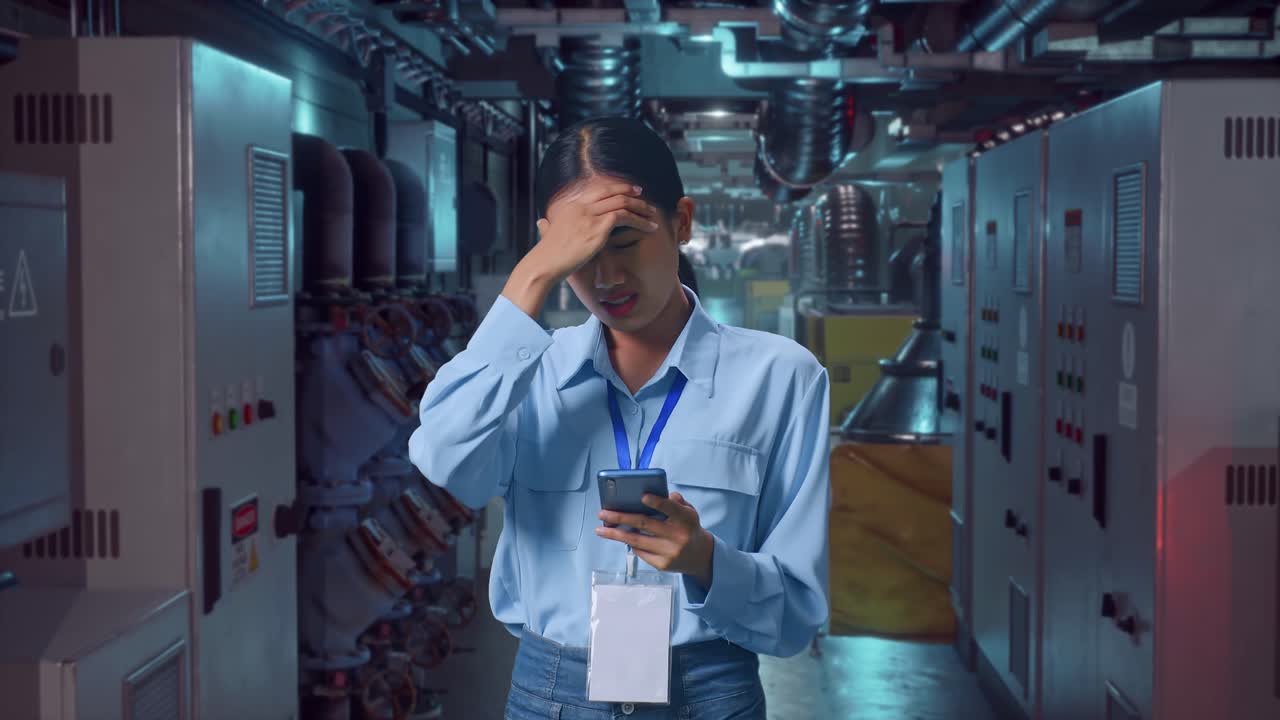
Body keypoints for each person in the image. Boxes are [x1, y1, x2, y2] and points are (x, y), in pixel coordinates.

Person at [407, 116, 830, 719]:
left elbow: (797, 613)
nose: (606, 279)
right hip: (552, 693)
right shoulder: (530, 373)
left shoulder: (782, 378)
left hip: (708, 693)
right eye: (580, 255)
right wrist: (531, 277)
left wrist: (707, 561)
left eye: (625, 243)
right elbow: (446, 462)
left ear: (681, 222)